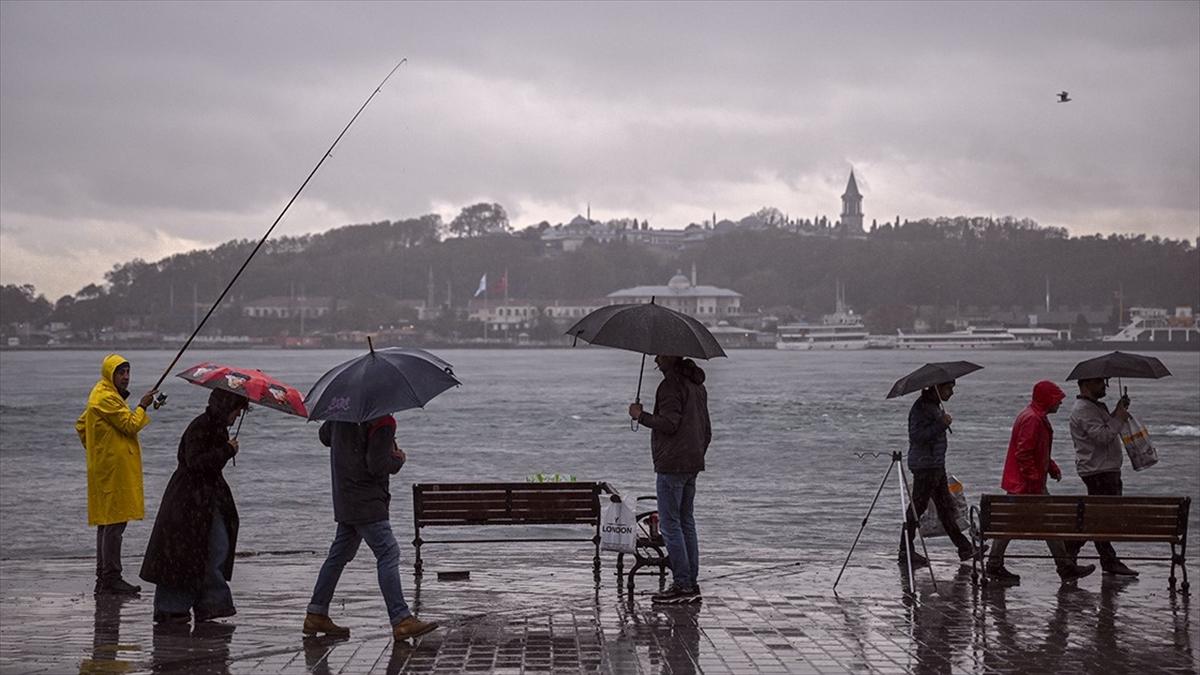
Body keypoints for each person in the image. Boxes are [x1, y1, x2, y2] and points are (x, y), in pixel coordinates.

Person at [303, 415, 437, 641]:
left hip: (345, 497)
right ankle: (401, 618)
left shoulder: (341, 415)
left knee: (338, 556)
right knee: (388, 552)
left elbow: (324, 436)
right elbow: (377, 465)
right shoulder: (382, 421)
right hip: (368, 501)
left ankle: (316, 612)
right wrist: (397, 459)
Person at [140, 389, 248, 624]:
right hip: (190, 501)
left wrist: (225, 450)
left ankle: (202, 605)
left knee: (206, 550)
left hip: (201, 500)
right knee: (195, 553)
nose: (238, 415)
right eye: (237, 410)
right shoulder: (202, 426)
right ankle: (184, 607)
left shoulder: (214, 426)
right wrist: (227, 450)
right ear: (227, 406)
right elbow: (196, 462)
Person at [986, 380, 1096, 583]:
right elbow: (1024, 453)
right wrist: (1035, 478)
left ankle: (995, 564)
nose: (1060, 404)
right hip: (1027, 486)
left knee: (1014, 524)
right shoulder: (1033, 420)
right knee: (1045, 524)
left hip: (1024, 484)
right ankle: (1064, 567)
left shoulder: (1033, 416)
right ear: (1048, 399)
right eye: (1057, 399)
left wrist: (1050, 467)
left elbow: (1036, 451)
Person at [628, 355, 712, 604]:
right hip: (692, 463)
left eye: (660, 355)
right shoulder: (697, 386)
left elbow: (669, 424)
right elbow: (706, 430)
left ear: (670, 357)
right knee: (686, 522)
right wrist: (696, 453)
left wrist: (640, 415)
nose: (656, 359)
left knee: (670, 524)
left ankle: (683, 584)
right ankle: (690, 582)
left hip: (672, 464)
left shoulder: (670, 386)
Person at [75, 354, 157, 595]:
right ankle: (111, 577)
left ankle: (104, 575)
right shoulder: (105, 398)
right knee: (115, 523)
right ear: (110, 374)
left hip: (107, 468)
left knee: (107, 522)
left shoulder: (103, 394)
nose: (126, 377)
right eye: (121, 373)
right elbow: (130, 425)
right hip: (112, 471)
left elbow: (82, 425)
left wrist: (99, 447)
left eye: (128, 372)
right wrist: (142, 405)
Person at [899, 380, 980, 566]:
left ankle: (964, 548)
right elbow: (917, 437)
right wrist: (941, 424)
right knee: (917, 508)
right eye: (948, 388)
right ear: (937, 388)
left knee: (945, 507)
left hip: (935, 465)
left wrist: (941, 422)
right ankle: (905, 550)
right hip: (925, 466)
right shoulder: (921, 408)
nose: (951, 392)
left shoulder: (933, 406)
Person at [1067, 377, 1138, 576]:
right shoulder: (1083, 410)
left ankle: (1079, 550)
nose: (1104, 386)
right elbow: (1103, 436)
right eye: (1100, 382)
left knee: (1099, 516)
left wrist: (1118, 410)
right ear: (1086, 384)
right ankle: (1098, 556)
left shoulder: (1093, 407)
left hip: (1105, 469)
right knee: (1101, 518)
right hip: (1099, 470)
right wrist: (1120, 418)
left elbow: (1106, 427)